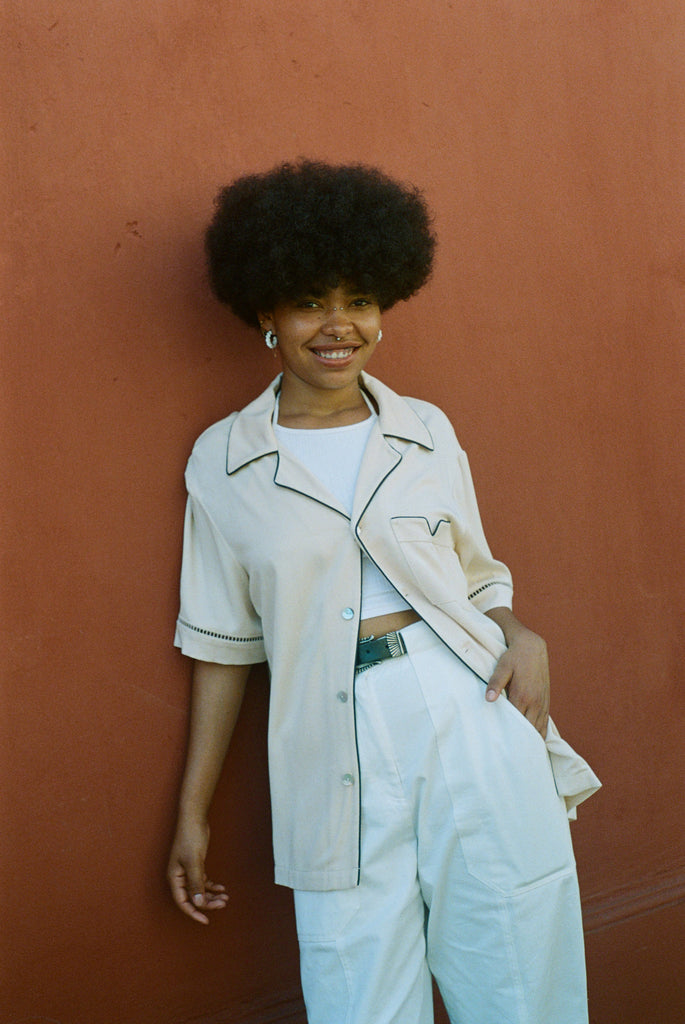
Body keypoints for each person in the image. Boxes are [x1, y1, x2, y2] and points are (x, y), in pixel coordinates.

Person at [167, 160, 600, 1024]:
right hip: (327, 741)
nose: (339, 326)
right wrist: (192, 813)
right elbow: (222, 645)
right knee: (356, 989)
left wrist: (521, 635)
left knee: (519, 967)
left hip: (470, 707)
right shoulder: (223, 461)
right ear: (265, 313)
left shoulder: (425, 430)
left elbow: (478, 578)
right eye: (309, 302)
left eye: (359, 300)